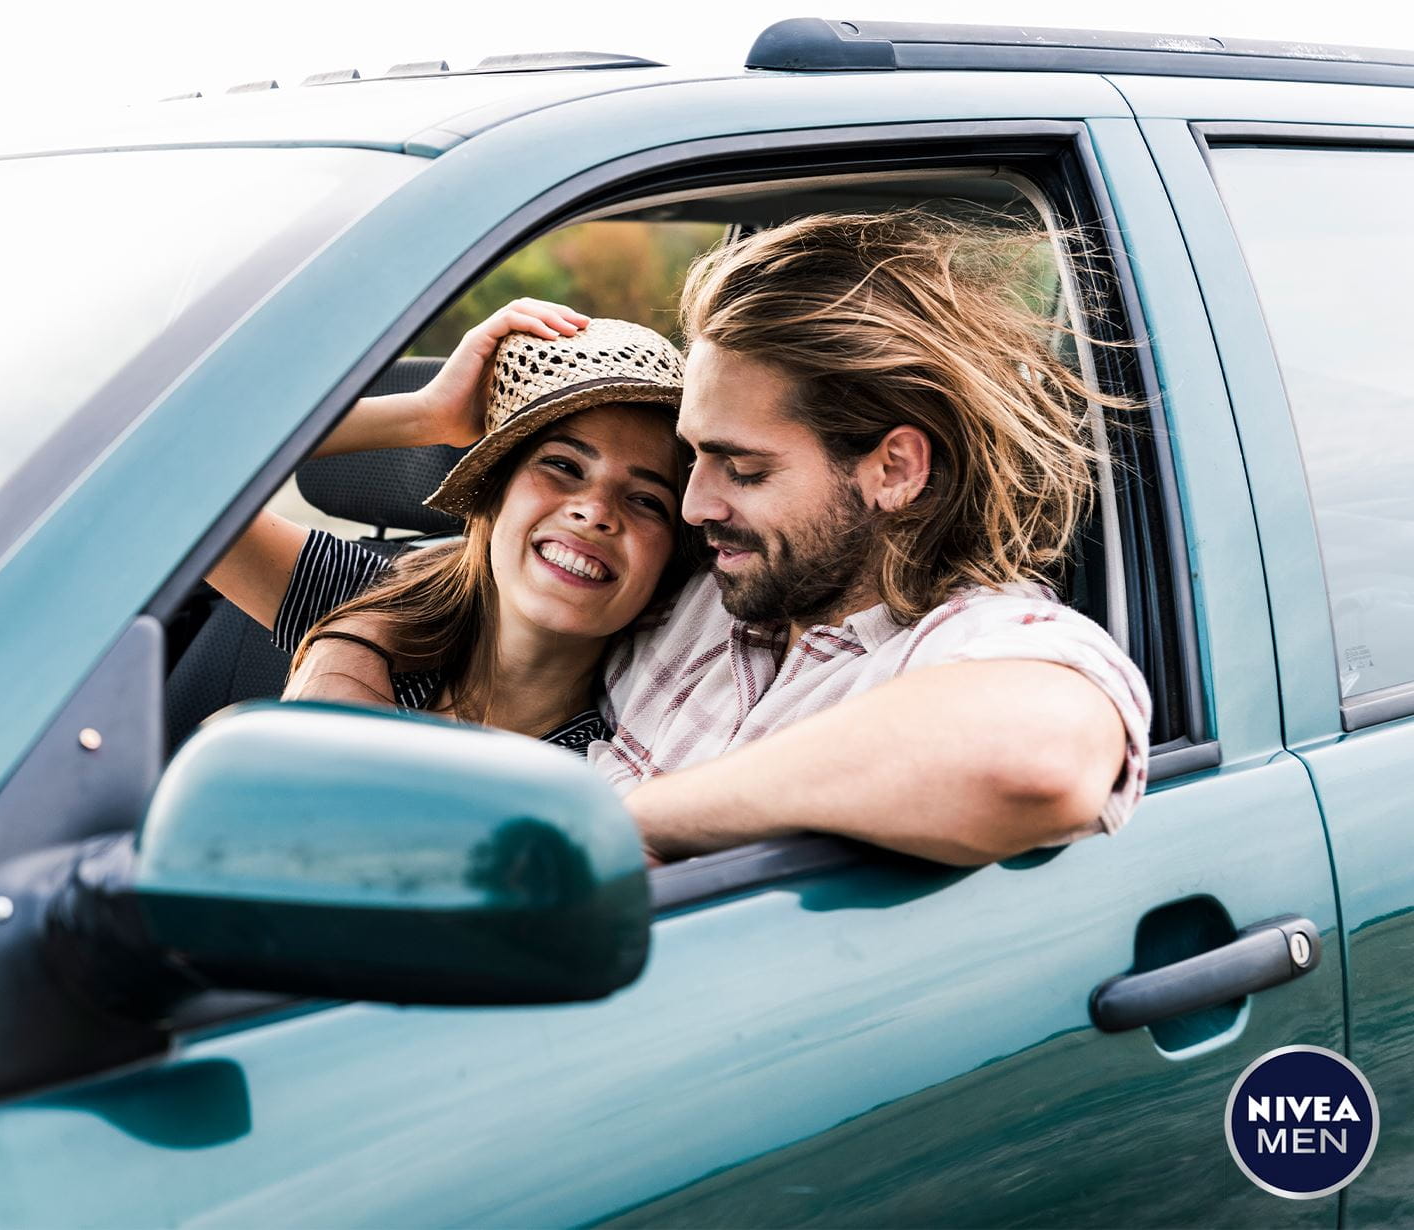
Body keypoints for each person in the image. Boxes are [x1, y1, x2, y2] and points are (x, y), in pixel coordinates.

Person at [307, 211, 1152, 867]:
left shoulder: (965, 643)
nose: (693, 505)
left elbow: (1035, 759)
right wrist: (418, 420)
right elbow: (450, 587)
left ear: (892, 468)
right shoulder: (708, 591)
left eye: (741, 469)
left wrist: (615, 824)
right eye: (694, 458)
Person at [206, 306, 695, 753]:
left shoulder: (611, 766)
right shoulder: (372, 596)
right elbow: (168, 469)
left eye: (647, 501)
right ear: (494, 492)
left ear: (670, 556)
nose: (595, 512)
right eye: (563, 467)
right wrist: (423, 417)